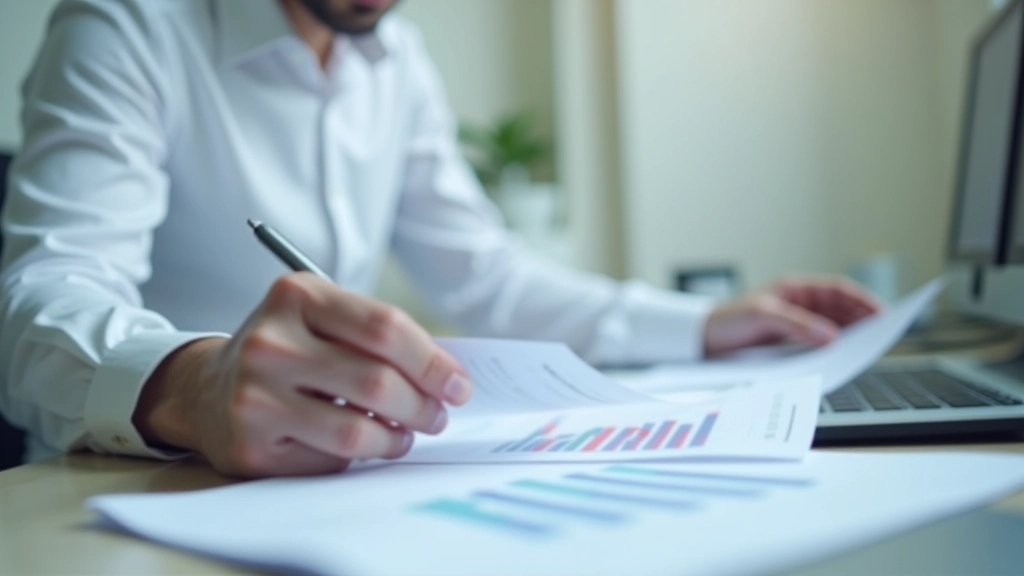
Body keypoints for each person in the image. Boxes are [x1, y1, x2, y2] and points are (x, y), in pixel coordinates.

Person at [0, 0, 879, 478]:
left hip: (330, 490)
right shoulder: (125, 26)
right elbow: (38, 301)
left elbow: (487, 278)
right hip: (122, 497)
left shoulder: (399, 62)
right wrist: (191, 386)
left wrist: (703, 322)